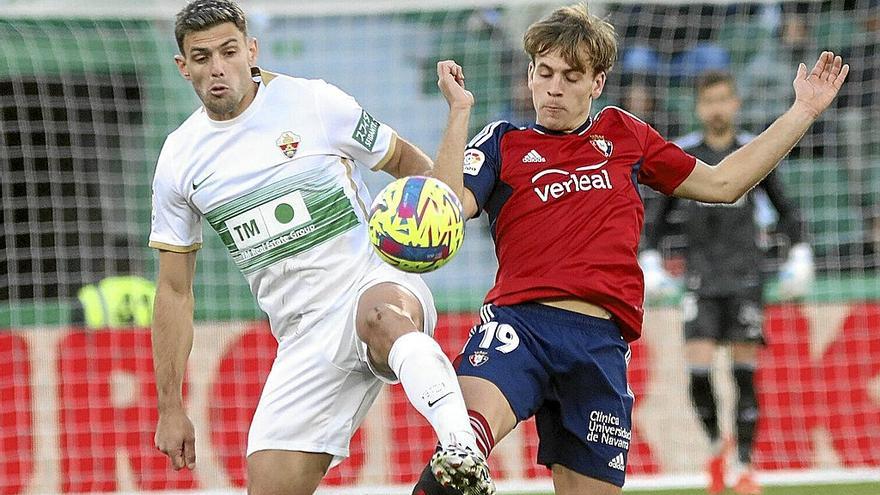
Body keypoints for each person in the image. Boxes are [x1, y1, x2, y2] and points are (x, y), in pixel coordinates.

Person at [415, 3, 847, 495]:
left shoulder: (624, 133)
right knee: (461, 450)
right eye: (545, 72)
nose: (554, 87)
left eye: (571, 76)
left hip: (600, 345)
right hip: (520, 327)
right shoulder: (502, 141)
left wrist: (803, 111)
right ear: (531, 73)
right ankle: (462, 450)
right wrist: (459, 112)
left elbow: (726, 182)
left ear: (597, 83)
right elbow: (444, 210)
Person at [148, 2, 494, 494]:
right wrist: (171, 407)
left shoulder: (312, 102)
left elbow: (402, 161)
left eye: (228, 51)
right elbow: (174, 291)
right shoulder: (180, 159)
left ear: (251, 50)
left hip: (369, 281)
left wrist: (442, 213)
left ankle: (461, 449)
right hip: (302, 335)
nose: (217, 67)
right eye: (201, 58)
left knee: (382, 318)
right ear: (184, 67)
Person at [639, 70, 815, 495]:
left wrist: (800, 253)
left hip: (746, 278)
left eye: (723, 99)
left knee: (743, 376)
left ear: (735, 103)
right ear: (700, 108)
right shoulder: (686, 156)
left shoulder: (752, 153)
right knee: (698, 374)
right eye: (709, 101)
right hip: (699, 281)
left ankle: (744, 468)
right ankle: (718, 447)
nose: (717, 108)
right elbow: (654, 223)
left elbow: (786, 210)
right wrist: (649, 261)